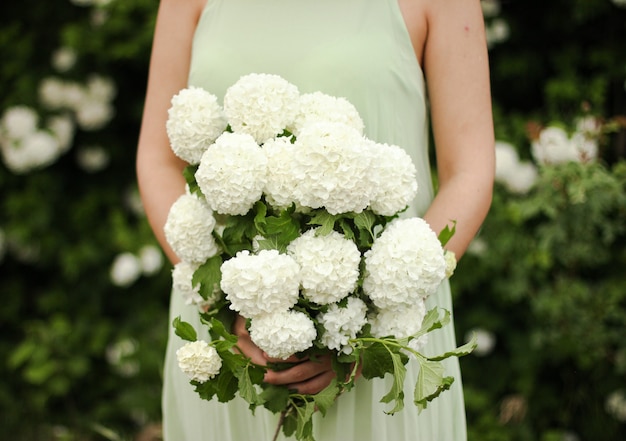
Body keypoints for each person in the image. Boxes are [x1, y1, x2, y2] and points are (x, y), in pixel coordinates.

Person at [136, 0, 494, 440]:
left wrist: (358, 334)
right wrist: (232, 304)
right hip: (230, 341)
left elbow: (470, 173)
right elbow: (158, 160)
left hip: (385, 335)